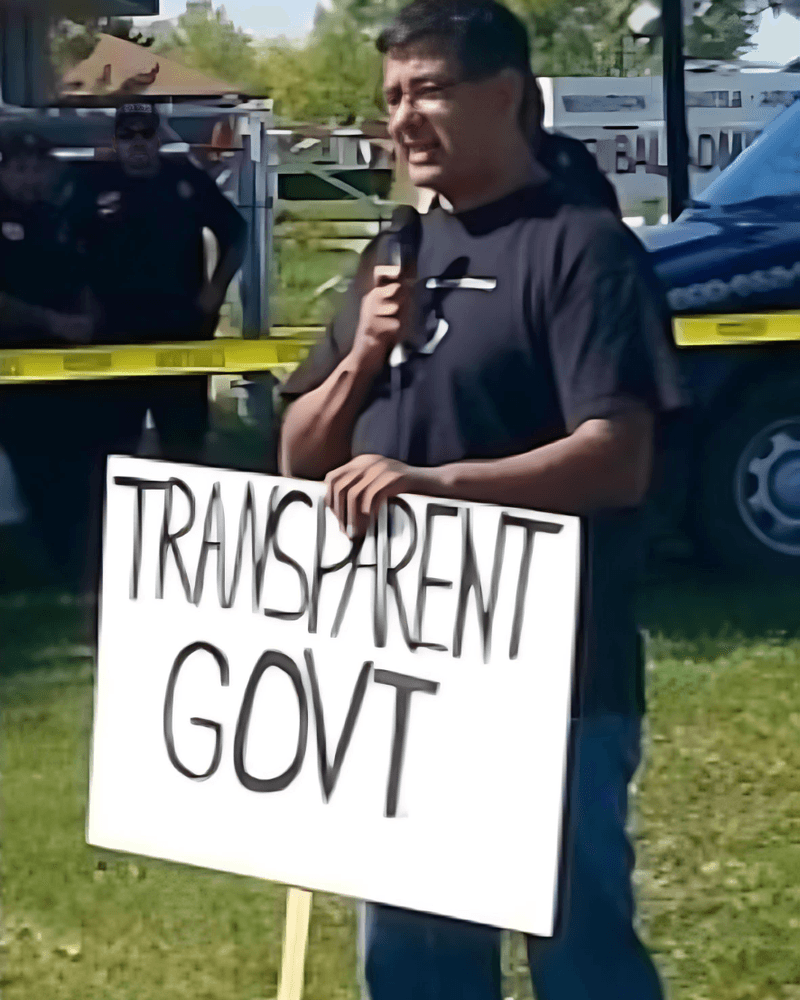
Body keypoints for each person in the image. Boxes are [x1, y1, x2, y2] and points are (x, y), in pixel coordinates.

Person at [278, 2, 685, 998]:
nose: (402, 118)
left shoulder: (582, 250)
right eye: (390, 98)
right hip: (402, 676)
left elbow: (616, 458)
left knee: (580, 952)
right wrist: (364, 354)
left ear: (505, 94)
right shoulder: (393, 255)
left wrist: (437, 488)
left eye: (428, 90)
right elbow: (297, 457)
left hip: (555, 679)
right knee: (417, 961)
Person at [71, 100, 248, 464]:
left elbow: (236, 234)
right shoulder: (93, 183)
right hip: (114, 335)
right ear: (116, 141)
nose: (137, 142)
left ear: (158, 139)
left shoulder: (186, 178)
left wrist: (215, 292)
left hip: (181, 331)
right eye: (128, 134)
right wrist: (83, 304)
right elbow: (68, 247)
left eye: (146, 133)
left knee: (184, 447)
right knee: (114, 450)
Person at [0, 126, 96, 584]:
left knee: (65, 463)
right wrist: (50, 321)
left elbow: (78, 276)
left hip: (61, 366)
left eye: (37, 167)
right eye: (20, 168)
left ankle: (66, 567)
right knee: (23, 466)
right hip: (11, 368)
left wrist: (86, 317)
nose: (30, 177)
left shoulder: (54, 218)